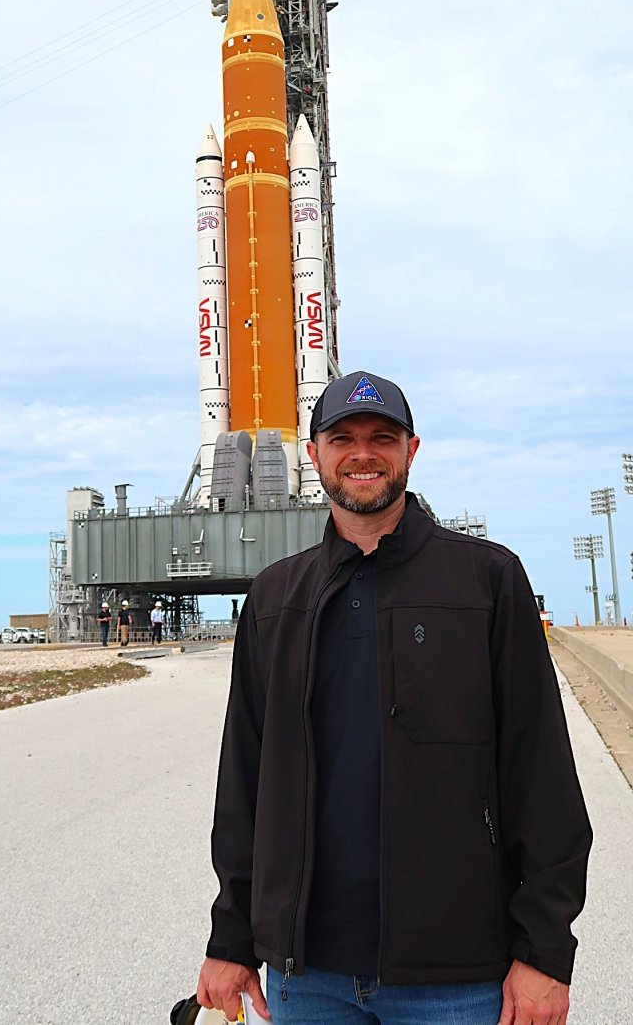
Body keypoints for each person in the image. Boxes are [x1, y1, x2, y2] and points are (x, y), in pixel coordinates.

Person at [196, 371, 592, 1025]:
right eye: (342, 437)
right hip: (308, 978)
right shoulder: (275, 599)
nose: (363, 453)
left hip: (457, 978)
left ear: (411, 450)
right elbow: (243, 786)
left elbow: (542, 777)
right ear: (314, 454)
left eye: (383, 436)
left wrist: (546, 950)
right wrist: (230, 937)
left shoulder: (486, 582)